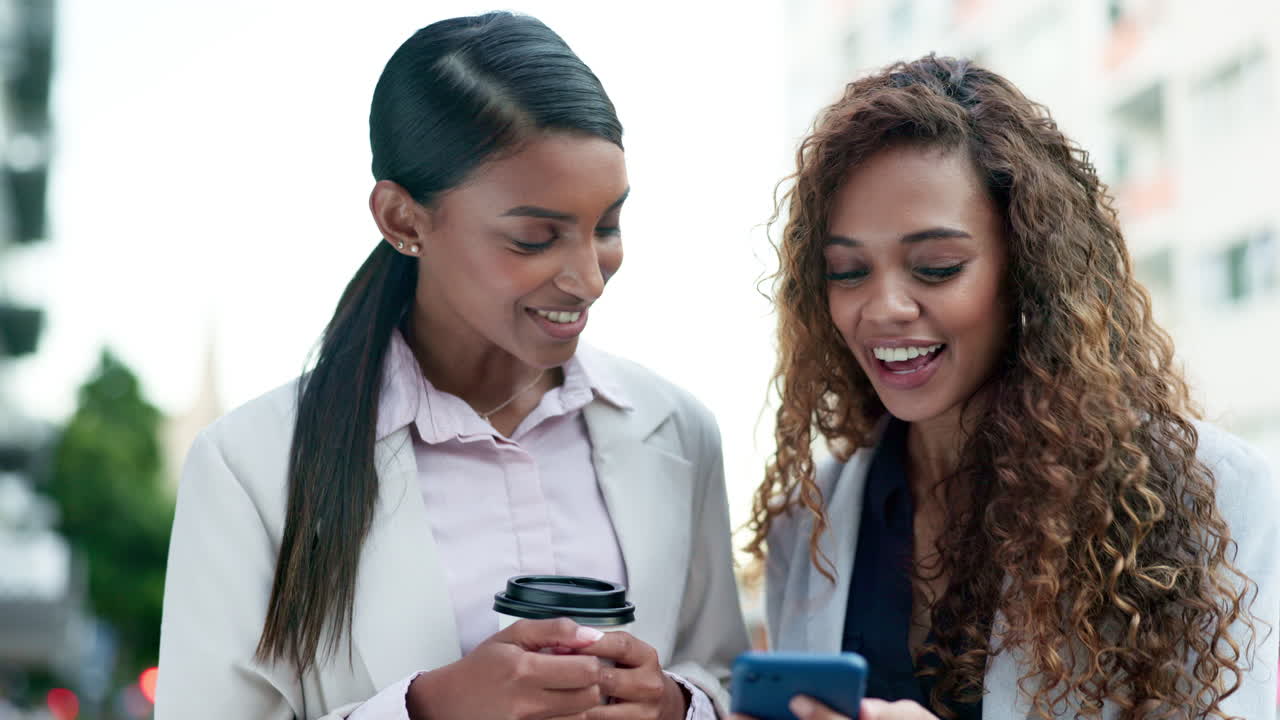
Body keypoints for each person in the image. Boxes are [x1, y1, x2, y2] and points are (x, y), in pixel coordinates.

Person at [156, 13, 748, 720]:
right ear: (404, 221)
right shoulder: (249, 465)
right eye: (536, 237)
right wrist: (429, 710)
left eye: (608, 225)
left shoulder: (680, 433)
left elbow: (726, 679)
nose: (589, 278)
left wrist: (678, 707)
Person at [743, 55, 1279, 720]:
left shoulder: (1214, 496)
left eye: (935, 268)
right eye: (847, 272)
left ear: (1027, 271)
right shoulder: (810, 519)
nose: (881, 308)